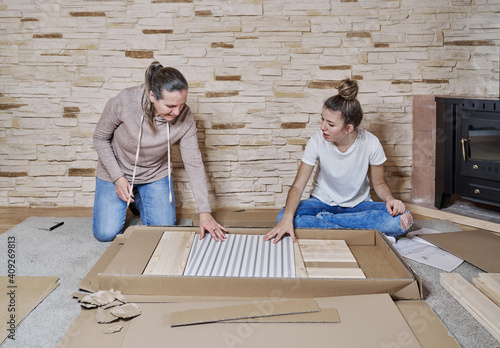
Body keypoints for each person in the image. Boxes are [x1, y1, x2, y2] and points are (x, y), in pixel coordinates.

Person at [264, 78, 413, 243]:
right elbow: (298, 186)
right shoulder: (316, 141)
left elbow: (379, 184)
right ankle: (353, 229)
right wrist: (286, 219)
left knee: (402, 218)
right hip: (321, 203)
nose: (322, 127)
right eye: (322, 119)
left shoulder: (371, 142)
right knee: (283, 217)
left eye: (330, 124)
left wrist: (390, 199)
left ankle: (326, 222)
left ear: (348, 128)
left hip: (358, 206)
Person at [92, 61, 227, 242]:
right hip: (117, 171)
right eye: (171, 106)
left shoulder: (185, 117)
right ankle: (133, 194)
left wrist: (204, 212)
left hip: (154, 174)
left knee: (163, 232)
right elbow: (99, 138)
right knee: (105, 234)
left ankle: (139, 198)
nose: (178, 112)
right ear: (152, 96)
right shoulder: (123, 102)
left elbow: (193, 163)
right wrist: (117, 177)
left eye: (182, 104)